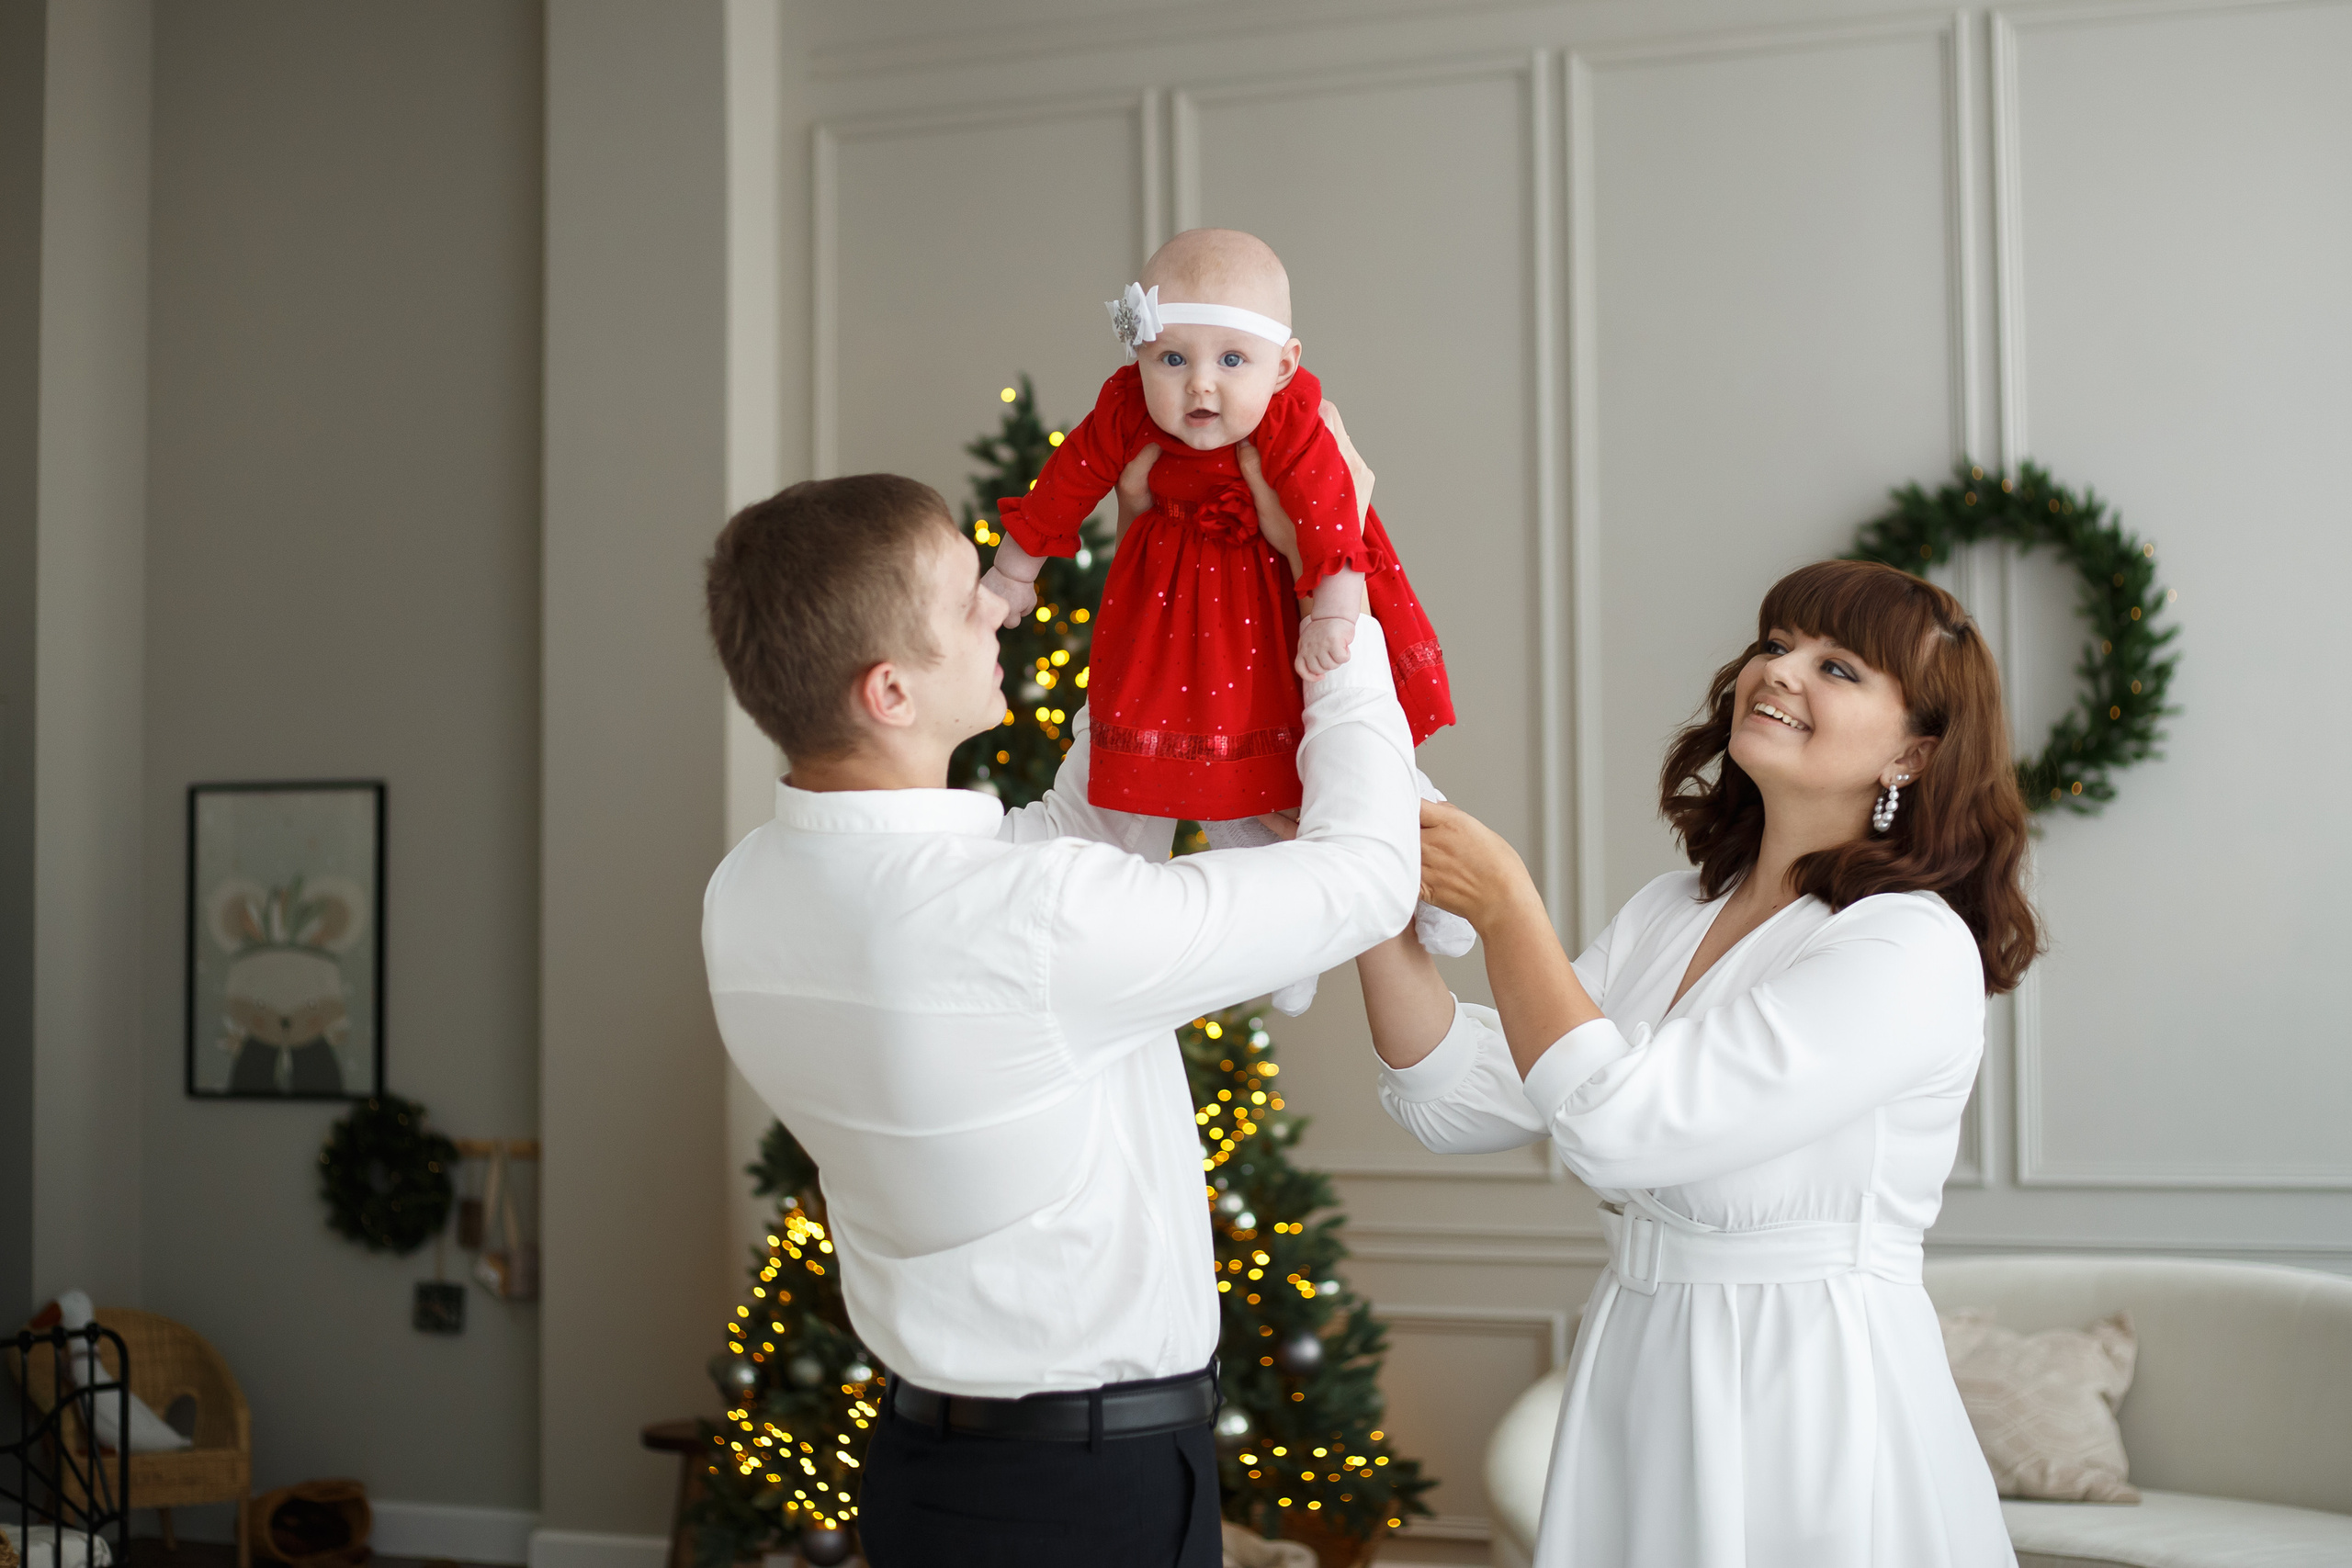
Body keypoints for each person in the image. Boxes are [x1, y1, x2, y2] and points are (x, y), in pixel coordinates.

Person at [698, 427, 1419, 1568]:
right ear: (890, 691)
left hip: (927, 1477)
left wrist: (1159, 572)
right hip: (1089, 1501)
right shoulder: (1023, 919)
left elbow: (1076, 843)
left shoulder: (746, 893)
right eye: (965, 601)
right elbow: (1368, 876)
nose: (1001, 608)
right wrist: (1340, 582)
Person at [1352, 558, 2035, 1566]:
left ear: (1913, 753)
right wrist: (1364, 891)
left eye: (1838, 667)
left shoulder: (1908, 945)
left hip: (1804, 1381)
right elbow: (1466, 1097)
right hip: (1640, 1355)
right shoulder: (1674, 910)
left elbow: (1624, 1126)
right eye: (1776, 643)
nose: (1780, 670)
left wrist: (1505, 907)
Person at [980, 228, 1453, 822]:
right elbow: (1063, 484)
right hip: (1174, 589)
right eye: (1173, 359)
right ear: (1139, 357)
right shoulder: (1126, 407)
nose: (1200, 383)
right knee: (1186, 739)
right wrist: (1012, 573)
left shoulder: (1290, 417)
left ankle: (1380, 827)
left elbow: (1334, 516)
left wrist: (1333, 613)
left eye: (1232, 360)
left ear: (1282, 366)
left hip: (1286, 587)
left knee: (1308, 731)